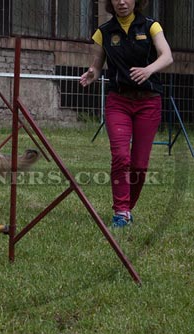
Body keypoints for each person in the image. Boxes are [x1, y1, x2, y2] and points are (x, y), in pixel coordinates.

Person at [80, 0, 173, 227]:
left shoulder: (152, 26)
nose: (122, 2)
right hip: (118, 102)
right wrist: (92, 73)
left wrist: (149, 69)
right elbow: (98, 64)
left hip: (148, 103)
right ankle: (121, 213)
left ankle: (126, 208)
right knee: (121, 158)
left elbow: (167, 56)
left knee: (140, 166)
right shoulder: (103, 32)